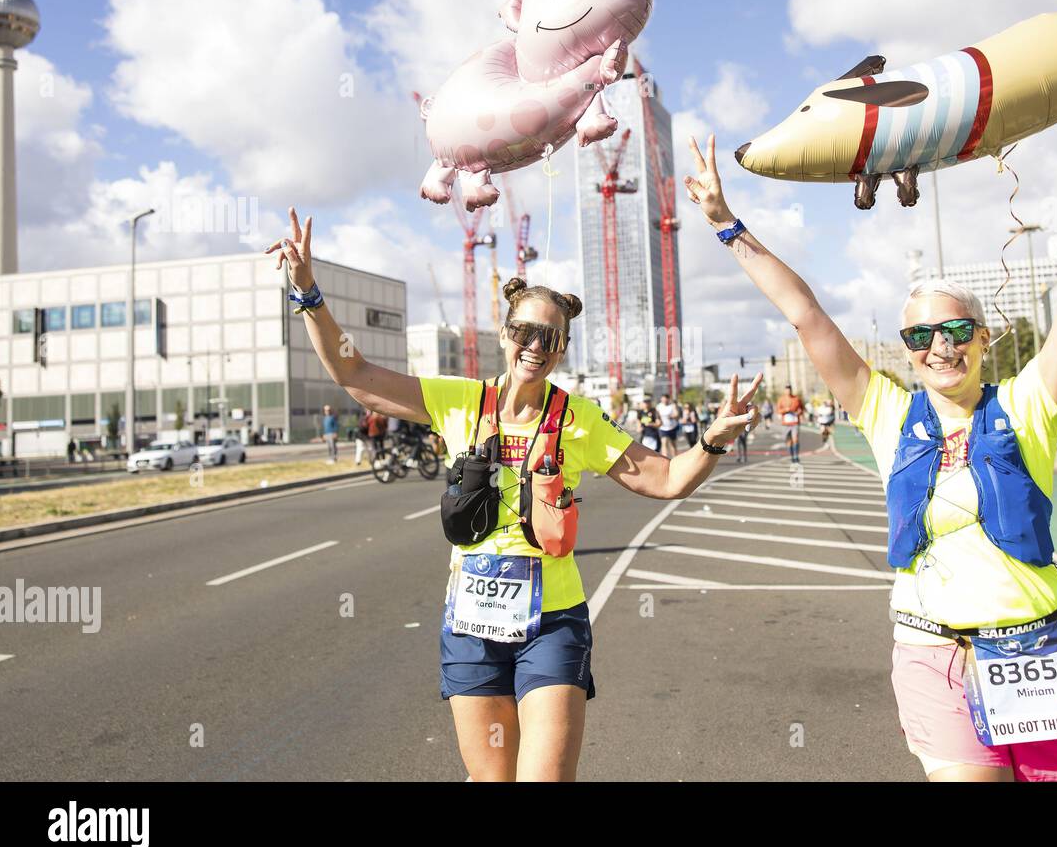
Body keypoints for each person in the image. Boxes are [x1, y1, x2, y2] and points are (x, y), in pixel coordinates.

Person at [680, 63, 1057, 782]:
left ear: (984, 337)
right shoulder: (889, 413)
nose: (940, 347)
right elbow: (807, 315)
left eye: (956, 329)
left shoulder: (1026, 404)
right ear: (907, 353)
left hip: (1036, 656)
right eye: (920, 338)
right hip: (935, 656)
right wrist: (726, 225)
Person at [267, 212, 759, 781]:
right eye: (525, 332)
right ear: (505, 335)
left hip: (551, 625)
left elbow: (667, 479)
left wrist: (710, 441)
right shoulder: (458, 401)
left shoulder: (578, 418)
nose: (536, 346)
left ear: (562, 350)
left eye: (551, 339)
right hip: (471, 628)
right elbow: (355, 375)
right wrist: (307, 292)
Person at [776, 385, 805, 463]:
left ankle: (796, 456)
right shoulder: (781, 399)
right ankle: (792, 456)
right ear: (785, 391)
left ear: (791, 390)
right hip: (785, 423)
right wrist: (786, 410)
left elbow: (802, 408)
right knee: (789, 441)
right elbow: (778, 411)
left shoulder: (796, 399)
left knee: (795, 439)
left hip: (795, 422)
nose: (788, 392)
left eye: (789, 390)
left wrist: (800, 412)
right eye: (787, 390)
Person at [655, 392, 680, 458]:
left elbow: (676, 414)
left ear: (668, 399)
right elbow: (657, 415)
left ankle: (675, 458)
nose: (664, 401)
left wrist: (671, 416)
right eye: (663, 399)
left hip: (672, 427)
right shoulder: (659, 406)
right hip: (663, 428)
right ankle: (665, 458)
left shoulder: (672, 405)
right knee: (664, 443)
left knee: (673, 444)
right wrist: (657, 419)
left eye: (665, 399)